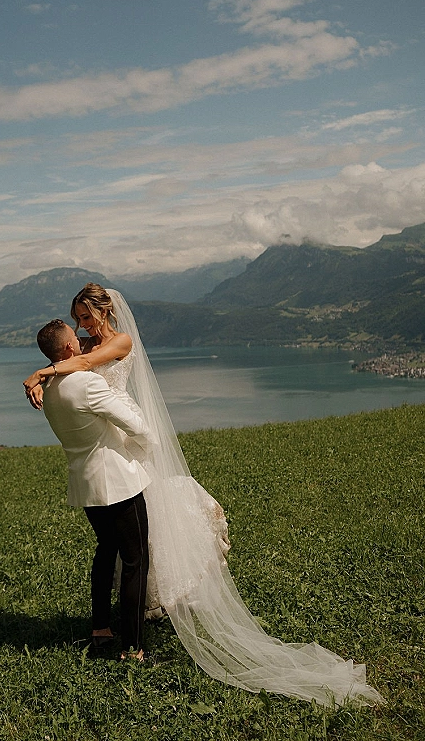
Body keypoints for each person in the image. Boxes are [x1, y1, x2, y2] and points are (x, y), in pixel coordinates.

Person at [24, 285, 383, 707]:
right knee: (134, 553)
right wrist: (52, 370)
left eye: (86, 317)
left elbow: (74, 360)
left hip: (97, 465)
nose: (83, 326)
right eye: (77, 320)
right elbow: (74, 359)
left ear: (104, 312)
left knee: (115, 549)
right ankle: (130, 643)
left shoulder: (116, 342)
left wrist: (40, 373)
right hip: (119, 460)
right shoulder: (82, 352)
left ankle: (112, 626)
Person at [34, 318, 152, 661]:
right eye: (76, 336)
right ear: (69, 350)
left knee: (106, 551)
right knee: (135, 560)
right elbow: (133, 424)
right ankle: (133, 648)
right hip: (117, 481)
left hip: (85, 484)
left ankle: (101, 628)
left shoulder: (52, 390)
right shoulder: (85, 383)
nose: (82, 338)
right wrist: (144, 447)